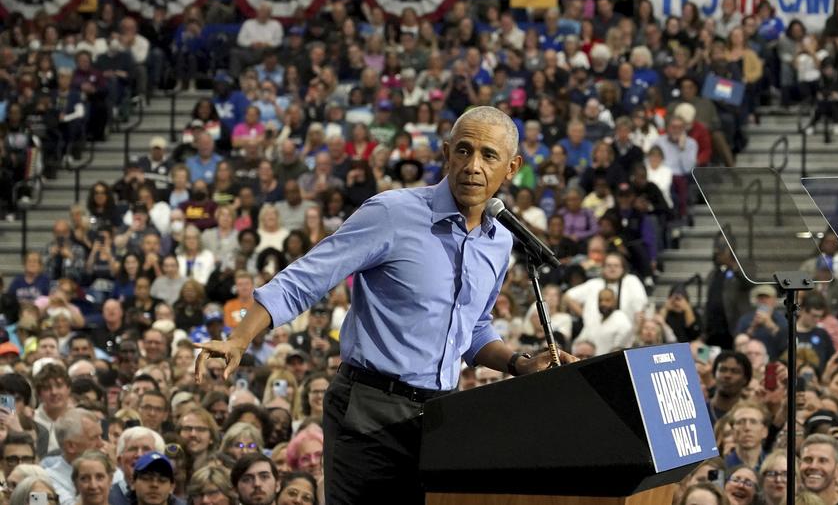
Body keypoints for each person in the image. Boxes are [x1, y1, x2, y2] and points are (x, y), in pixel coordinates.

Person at [194, 106, 575, 504]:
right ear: (446, 152)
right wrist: (239, 338)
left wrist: (518, 363)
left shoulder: (499, 242)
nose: (472, 166)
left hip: (440, 417)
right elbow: (307, 278)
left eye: (489, 155)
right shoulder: (393, 212)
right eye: (464, 150)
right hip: (368, 411)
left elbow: (474, 328)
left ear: (512, 167)